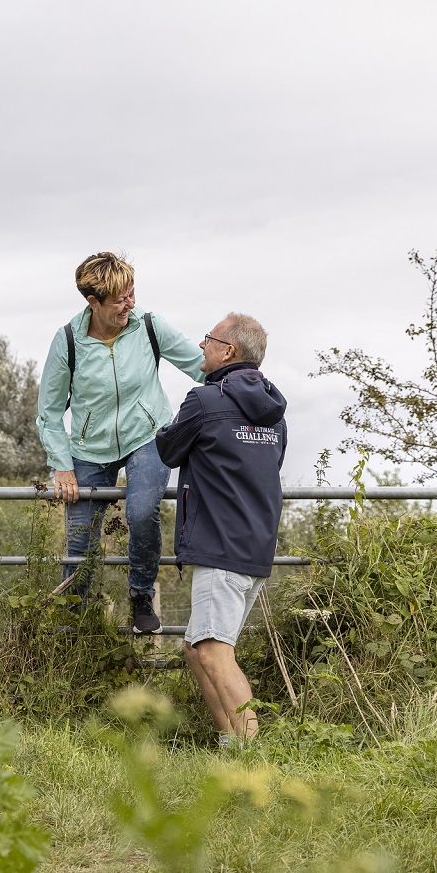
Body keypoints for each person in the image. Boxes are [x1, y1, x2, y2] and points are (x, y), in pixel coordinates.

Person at [36, 252, 205, 632]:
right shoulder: (67, 341)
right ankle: (72, 618)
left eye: (132, 294)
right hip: (88, 448)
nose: (129, 304)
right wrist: (62, 465)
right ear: (92, 302)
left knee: (142, 512)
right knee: (80, 537)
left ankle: (141, 595)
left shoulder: (147, 325)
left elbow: (199, 365)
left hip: (146, 436)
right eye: (119, 300)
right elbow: (48, 411)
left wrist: (240, 378)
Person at [153, 312, 288, 742]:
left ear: (228, 350)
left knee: (212, 650)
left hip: (220, 543)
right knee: (197, 647)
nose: (201, 347)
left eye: (207, 339)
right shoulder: (275, 414)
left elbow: (170, 449)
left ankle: (253, 756)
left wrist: (156, 427)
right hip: (255, 544)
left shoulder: (205, 400)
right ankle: (231, 741)